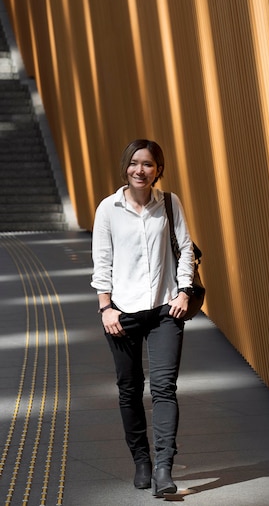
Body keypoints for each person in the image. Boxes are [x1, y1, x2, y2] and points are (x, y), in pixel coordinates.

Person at [91, 139, 195, 496]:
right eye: (135, 163)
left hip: (166, 309)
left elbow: (185, 249)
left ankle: (164, 469)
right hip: (122, 313)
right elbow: (101, 262)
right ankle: (141, 460)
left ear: (158, 170)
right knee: (130, 390)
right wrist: (106, 307)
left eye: (148, 164)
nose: (141, 170)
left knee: (165, 388)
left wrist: (184, 291)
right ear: (126, 167)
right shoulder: (108, 209)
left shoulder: (169, 202)